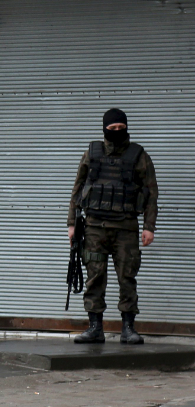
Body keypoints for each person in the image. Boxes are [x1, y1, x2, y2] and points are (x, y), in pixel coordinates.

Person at [68, 108, 158, 345]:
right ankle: (95, 327)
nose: (118, 132)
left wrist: (149, 226)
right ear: (104, 129)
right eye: (112, 128)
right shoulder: (92, 153)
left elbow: (151, 192)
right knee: (94, 277)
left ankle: (128, 328)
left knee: (127, 277)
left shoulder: (138, 155)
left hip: (125, 228)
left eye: (121, 128)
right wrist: (71, 224)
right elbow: (77, 190)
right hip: (94, 227)